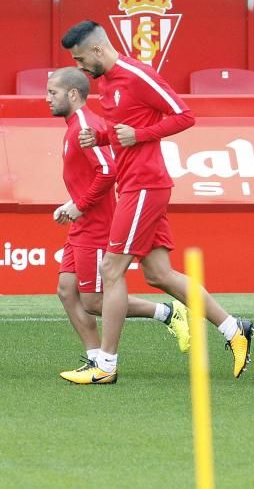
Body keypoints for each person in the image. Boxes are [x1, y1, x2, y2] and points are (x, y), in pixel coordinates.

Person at [60, 21, 254, 384]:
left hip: (145, 186)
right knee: (159, 274)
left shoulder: (136, 74)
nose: (82, 68)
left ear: (99, 51)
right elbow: (124, 127)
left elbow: (185, 115)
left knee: (111, 270)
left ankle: (106, 364)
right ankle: (233, 327)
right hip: (133, 185)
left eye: (82, 59)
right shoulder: (107, 83)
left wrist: (140, 135)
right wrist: (99, 135)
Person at [47, 67, 190, 382]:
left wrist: (79, 206)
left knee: (94, 300)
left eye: (52, 93)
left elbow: (107, 170)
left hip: (97, 224)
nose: (47, 99)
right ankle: (95, 359)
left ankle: (166, 313)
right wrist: (74, 206)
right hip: (82, 224)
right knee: (66, 290)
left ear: (72, 94)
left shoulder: (86, 124)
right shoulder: (76, 125)